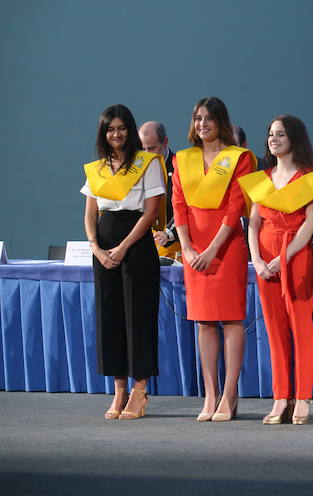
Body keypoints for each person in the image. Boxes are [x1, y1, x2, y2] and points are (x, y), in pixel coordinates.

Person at [240, 115, 313, 425]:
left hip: (295, 256)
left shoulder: (310, 177)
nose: (273, 139)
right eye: (271, 134)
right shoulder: (264, 177)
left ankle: (302, 397)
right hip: (265, 257)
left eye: (281, 134)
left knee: (300, 328)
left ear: (294, 139)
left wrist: (285, 257)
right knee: (274, 331)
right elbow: (254, 221)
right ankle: (281, 397)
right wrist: (256, 259)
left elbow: (311, 222)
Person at [171, 97, 257, 422]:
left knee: (231, 319)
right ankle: (210, 393)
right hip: (193, 249)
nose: (202, 124)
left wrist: (211, 250)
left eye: (208, 118)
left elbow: (236, 207)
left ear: (221, 121)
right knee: (204, 321)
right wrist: (188, 249)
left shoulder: (240, 158)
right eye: (197, 118)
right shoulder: (183, 158)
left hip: (227, 247)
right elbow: (178, 204)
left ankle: (230, 394)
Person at [82, 105, 165, 420]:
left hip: (136, 248)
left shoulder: (147, 164)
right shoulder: (98, 168)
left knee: (138, 316)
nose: (116, 134)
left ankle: (139, 390)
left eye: (121, 128)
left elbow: (151, 212)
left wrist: (123, 246)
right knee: (111, 317)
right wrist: (97, 248)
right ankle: (118, 390)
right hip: (103, 249)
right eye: (110, 129)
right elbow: (90, 214)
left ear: (130, 130)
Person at [139, 121, 179, 257]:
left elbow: (185, 206)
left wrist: (169, 233)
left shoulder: (180, 168)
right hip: (143, 244)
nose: (146, 154)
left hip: (174, 245)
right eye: (142, 149)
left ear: (165, 142)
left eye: (151, 149)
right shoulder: (135, 169)